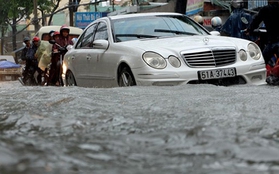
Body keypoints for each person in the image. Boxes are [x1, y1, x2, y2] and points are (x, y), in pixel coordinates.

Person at [245, 1, 279, 65]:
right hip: (272, 41)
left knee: (261, 63)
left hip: (272, 41)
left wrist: (249, 30)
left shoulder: (265, 9)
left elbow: (256, 20)